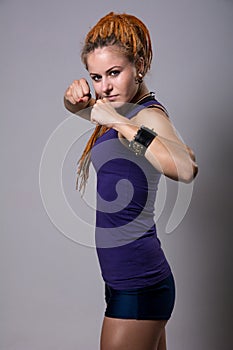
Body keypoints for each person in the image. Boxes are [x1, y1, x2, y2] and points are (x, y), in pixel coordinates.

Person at [64, 12, 198, 350]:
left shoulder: (146, 115)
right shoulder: (122, 109)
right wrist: (72, 99)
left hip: (138, 282)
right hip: (127, 280)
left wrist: (119, 125)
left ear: (139, 64)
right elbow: (82, 109)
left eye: (114, 73)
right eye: (95, 77)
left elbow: (185, 169)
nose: (104, 87)